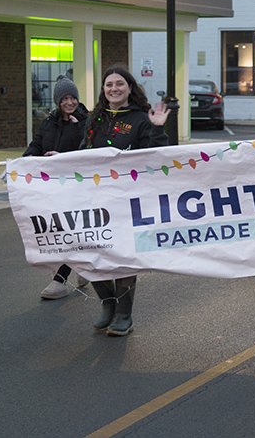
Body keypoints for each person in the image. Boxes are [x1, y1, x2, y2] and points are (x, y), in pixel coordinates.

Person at [81, 65, 170, 336]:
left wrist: (157, 129)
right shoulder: (95, 118)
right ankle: (107, 305)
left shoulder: (142, 118)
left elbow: (156, 158)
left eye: (119, 84)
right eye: (109, 85)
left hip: (128, 198)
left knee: (121, 255)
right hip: (95, 196)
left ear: (130, 87)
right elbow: (83, 154)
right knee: (94, 252)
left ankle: (124, 314)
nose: (114, 89)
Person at [24, 75, 90, 299]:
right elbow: (36, 145)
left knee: (70, 232)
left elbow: (87, 151)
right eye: (64, 99)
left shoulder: (86, 121)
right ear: (57, 101)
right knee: (60, 232)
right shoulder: (49, 121)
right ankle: (83, 268)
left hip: (77, 187)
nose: (69, 103)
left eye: (73, 98)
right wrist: (20, 164)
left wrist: (75, 129)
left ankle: (60, 280)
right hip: (52, 188)